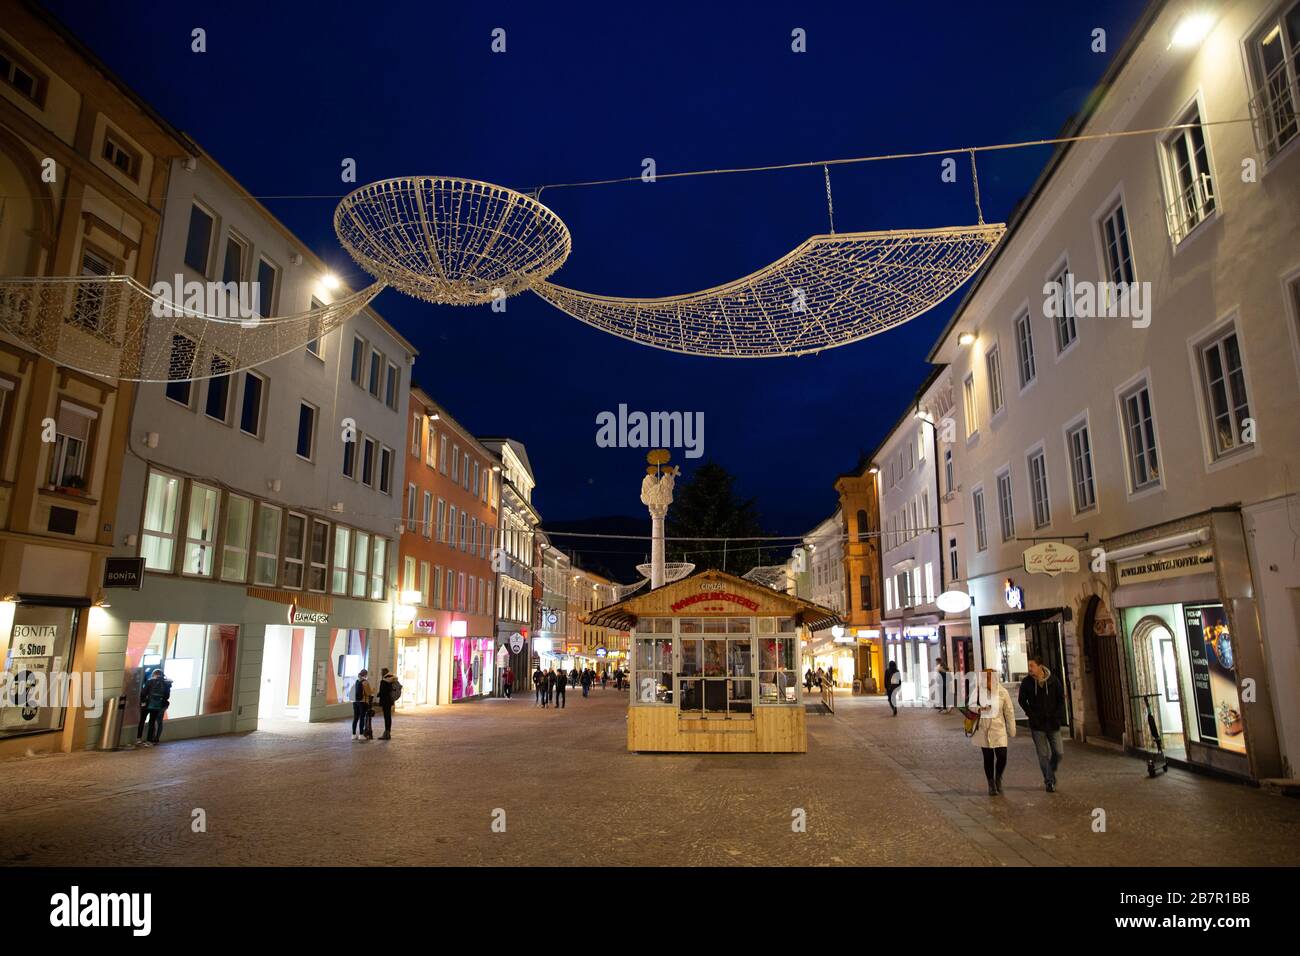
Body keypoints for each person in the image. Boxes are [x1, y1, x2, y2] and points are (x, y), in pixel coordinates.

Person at [1019, 655, 1066, 792]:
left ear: (1040, 666)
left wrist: (1057, 716)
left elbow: (1061, 699)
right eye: (1029, 666)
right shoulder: (1027, 682)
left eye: (1032, 666)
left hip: (1053, 723)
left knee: (1059, 752)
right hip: (1037, 725)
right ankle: (1049, 781)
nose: (1030, 669)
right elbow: (1022, 700)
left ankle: (1050, 770)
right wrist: (1031, 714)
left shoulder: (1053, 680)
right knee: (1043, 754)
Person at [970, 668, 1016, 795]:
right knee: (988, 757)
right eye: (985, 678)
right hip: (983, 729)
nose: (987, 680)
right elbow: (970, 705)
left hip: (999, 729)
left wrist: (1011, 729)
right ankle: (991, 783)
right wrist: (980, 708)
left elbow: (1009, 711)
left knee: (1002, 756)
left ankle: (998, 777)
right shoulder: (978, 691)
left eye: (989, 677)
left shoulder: (1002, 692)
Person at [139, 667, 172, 746]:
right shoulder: (166, 683)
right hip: (158, 705)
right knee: (154, 722)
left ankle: (139, 739)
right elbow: (167, 696)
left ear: (154, 674)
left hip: (147, 704)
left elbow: (143, 693)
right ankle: (152, 740)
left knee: (143, 721)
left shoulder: (150, 681)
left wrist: (143, 702)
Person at [376, 667, 402, 740]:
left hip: (385, 701)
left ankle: (386, 733)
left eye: (381, 672)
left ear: (383, 673)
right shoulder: (392, 680)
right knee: (388, 716)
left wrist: (378, 694)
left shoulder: (384, 681)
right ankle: (388, 732)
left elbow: (383, 692)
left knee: (386, 716)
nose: (381, 674)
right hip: (390, 701)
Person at [352, 669, 374, 741]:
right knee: (362, 717)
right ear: (365, 674)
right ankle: (361, 734)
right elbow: (368, 693)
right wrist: (373, 690)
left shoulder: (356, 681)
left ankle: (353, 734)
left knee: (355, 718)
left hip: (355, 702)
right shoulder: (365, 682)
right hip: (363, 702)